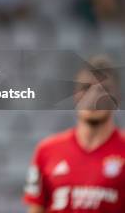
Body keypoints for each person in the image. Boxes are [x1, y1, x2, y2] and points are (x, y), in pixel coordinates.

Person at [23, 55, 124, 213]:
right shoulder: (46, 151)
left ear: (116, 97)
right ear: (75, 94)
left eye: (103, 90)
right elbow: (35, 208)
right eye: (86, 88)